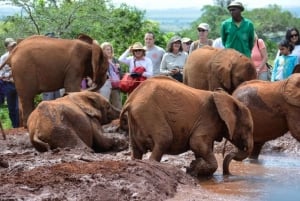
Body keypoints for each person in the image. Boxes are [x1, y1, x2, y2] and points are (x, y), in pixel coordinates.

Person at [0, 38, 19, 128]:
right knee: (12, 108)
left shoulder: (19, 55)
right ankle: (15, 127)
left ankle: (22, 126)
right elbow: (1, 74)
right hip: (8, 85)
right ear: (7, 47)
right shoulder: (4, 58)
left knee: (20, 107)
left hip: (19, 84)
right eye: (11, 46)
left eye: (14, 45)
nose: (13, 47)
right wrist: (10, 74)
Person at [99, 42, 122, 109]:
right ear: (102, 50)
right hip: (105, 85)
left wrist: (118, 68)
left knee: (118, 106)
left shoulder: (115, 60)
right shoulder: (100, 61)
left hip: (115, 86)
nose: (109, 51)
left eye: (110, 49)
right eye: (107, 49)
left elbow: (121, 73)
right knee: (105, 105)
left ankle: (119, 119)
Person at [42, 32, 62, 100]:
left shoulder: (57, 52)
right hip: (47, 81)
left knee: (57, 100)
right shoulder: (42, 52)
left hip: (56, 81)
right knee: (48, 100)